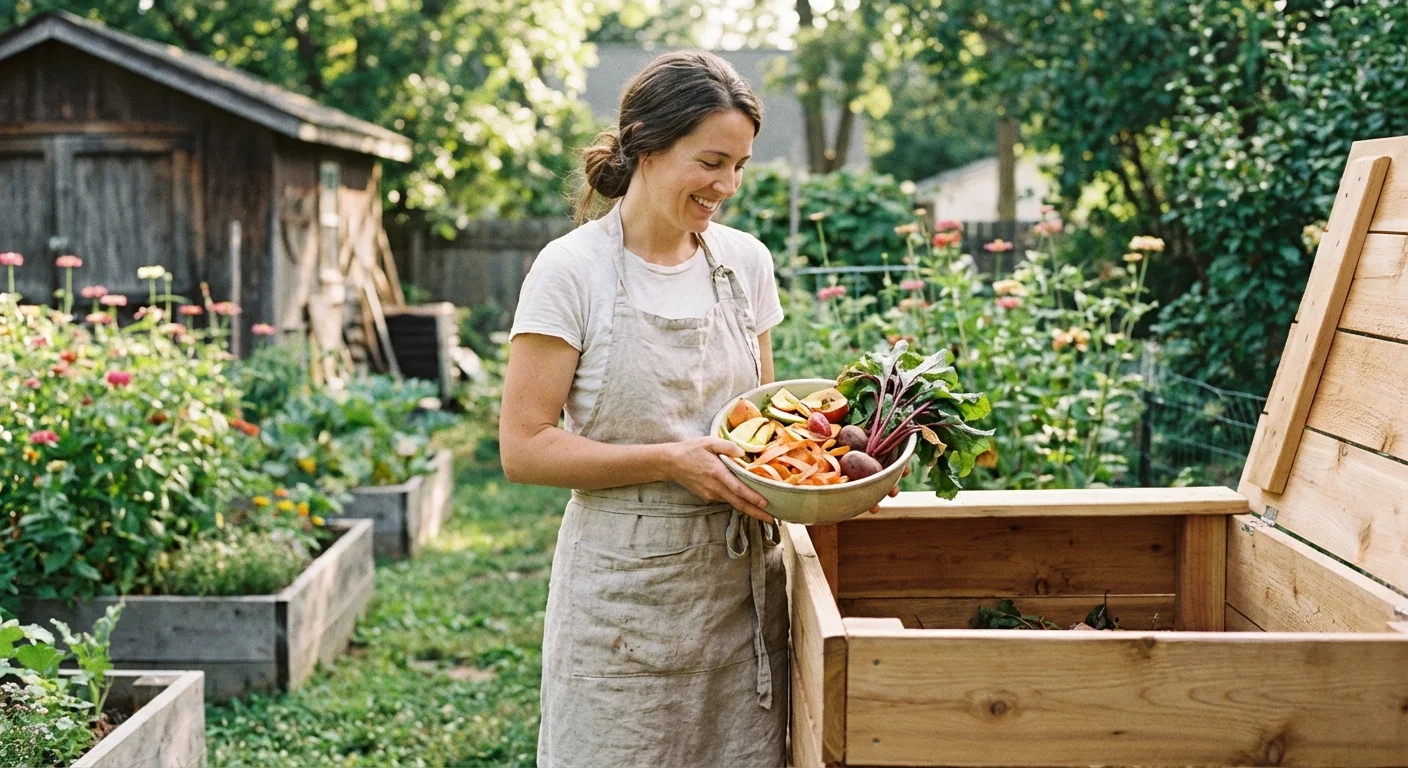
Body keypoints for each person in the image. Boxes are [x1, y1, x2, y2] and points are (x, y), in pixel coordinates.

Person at [500, 49, 788, 766]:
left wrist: (835, 474)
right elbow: (525, 446)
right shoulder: (572, 271)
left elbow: (759, 427)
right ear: (647, 147)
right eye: (712, 161)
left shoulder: (744, 263)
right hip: (621, 606)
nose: (727, 186)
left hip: (739, 595)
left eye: (740, 167)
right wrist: (670, 460)